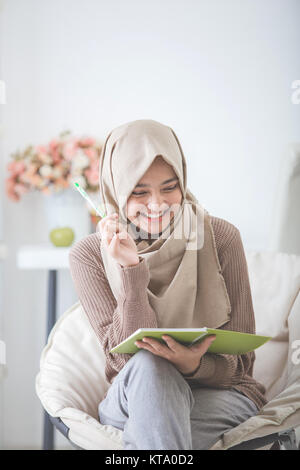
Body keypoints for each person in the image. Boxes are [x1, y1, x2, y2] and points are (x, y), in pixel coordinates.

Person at [69, 119, 267, 450]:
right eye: (139, 191)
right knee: (150, 366)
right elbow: (124, 362)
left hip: (217, 395)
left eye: (170, 187)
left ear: (183, 180)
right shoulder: (90, 254)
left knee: (151, 433)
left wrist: (195, 365)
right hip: (133, 396)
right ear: (116, 188)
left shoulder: (221, 237)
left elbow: (242, 363)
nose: (158, 204)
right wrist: (131, 269)